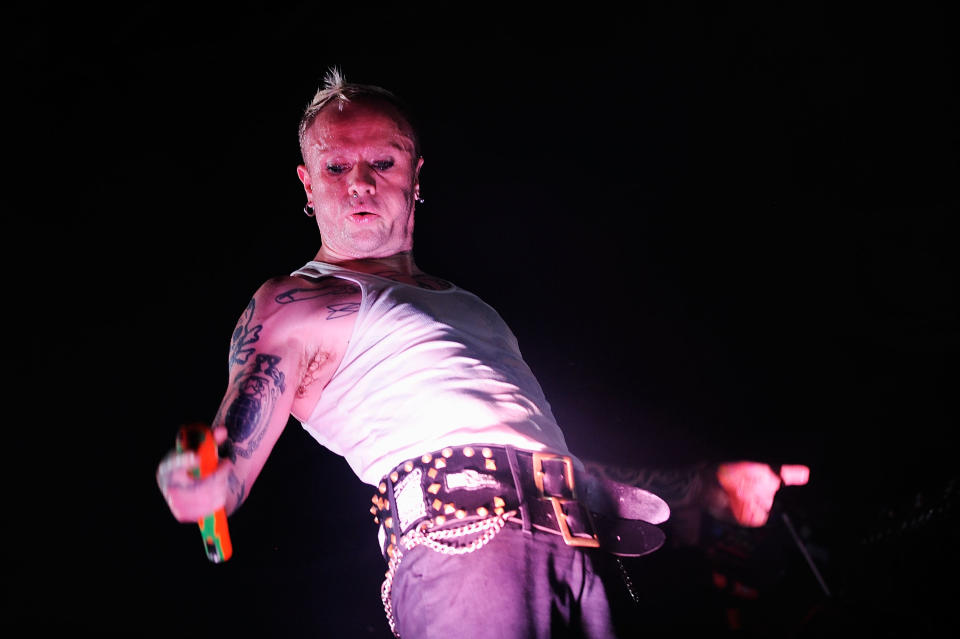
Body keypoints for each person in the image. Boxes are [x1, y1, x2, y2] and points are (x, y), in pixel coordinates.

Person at [156, 68, 807, 638]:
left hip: (585, 554)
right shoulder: (298, 302)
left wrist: (704, 486)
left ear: (416, 172)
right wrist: (206, 477)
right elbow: (232, 440)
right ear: (307, 182)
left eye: (381, 162)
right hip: (464, 554)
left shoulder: (471, 307)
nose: (358, 183)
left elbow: (543, 460)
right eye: (335, 166)